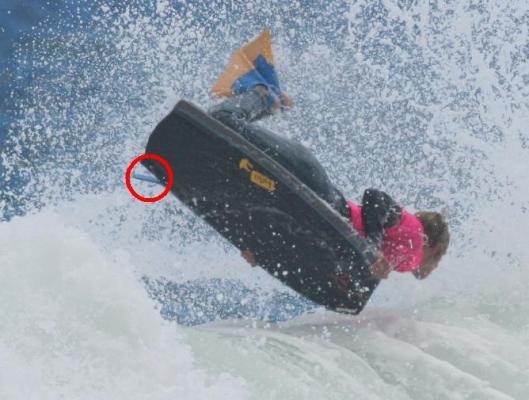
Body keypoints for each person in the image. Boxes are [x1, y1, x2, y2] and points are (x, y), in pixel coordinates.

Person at [209, 32, 449, 282]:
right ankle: (262, 92)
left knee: (226, 133)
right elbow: (376, 199)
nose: (432, 270)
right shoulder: (415, 239)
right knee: (224, 122)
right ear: (434, 249)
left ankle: (270, 99)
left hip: (310, 205)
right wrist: (373, 248)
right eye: (438, 262)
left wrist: (263, 254)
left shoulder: (398, 260)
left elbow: (311, 245)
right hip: (320, 191)